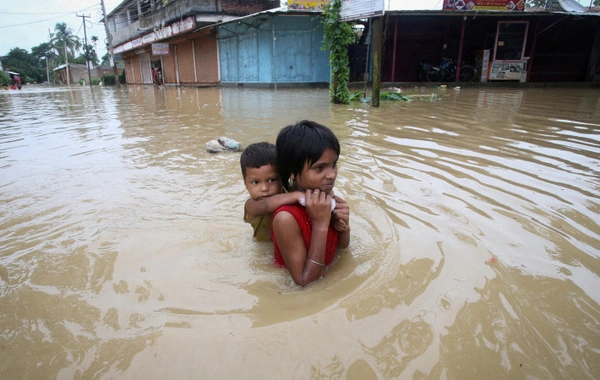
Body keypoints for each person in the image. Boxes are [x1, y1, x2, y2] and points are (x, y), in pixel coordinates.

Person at [272, 120, 350, 287]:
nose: (331, 174)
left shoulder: (326, 196)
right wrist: (321, 224)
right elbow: (305, 282)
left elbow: (340, 250)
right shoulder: (286, 218)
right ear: (292, 172)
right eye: (320, 168)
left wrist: (344, 227)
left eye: (333, 164)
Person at [240, 142, 305, 241]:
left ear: (282, 178)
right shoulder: (251, 205)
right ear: (245, 183)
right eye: (255, 182)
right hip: (263, 247)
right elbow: (266, 205)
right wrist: (297, 195)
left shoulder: (287, 193)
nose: (264, 188)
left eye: (271, 180)